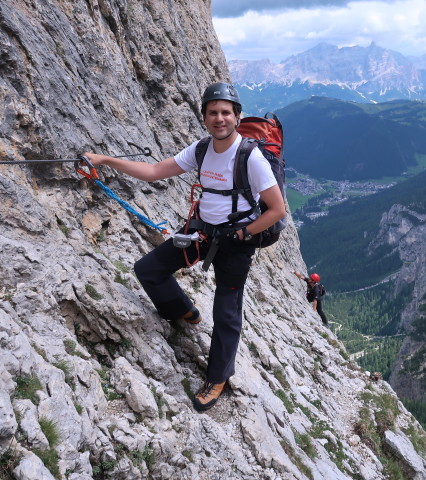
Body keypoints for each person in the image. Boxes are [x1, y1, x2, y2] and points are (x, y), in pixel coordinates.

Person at [83, 82, 285, 412]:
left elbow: (277, 210)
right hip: (202, 231)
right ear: (204, 117)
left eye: (225, 112)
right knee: (148, 269)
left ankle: (217, 377)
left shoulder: (251, 158)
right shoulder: (201, 150)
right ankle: (183, 311)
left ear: (237, 116)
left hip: (237, 241)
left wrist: (242, 234)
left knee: (226, 311)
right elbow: (152, 172)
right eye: (212, 113)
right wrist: (105, 160)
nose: (219, 118)